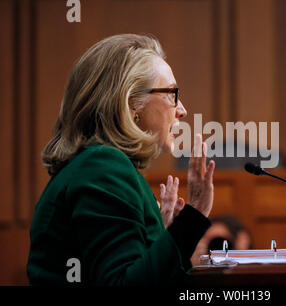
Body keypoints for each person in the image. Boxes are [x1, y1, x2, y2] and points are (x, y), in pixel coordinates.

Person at [26, 34, 215, 286]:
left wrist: (162, 242)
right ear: (131, 103)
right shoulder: (103, 167)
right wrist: (194, 215)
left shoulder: (100, 164)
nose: (182, 110)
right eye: (172, 94)